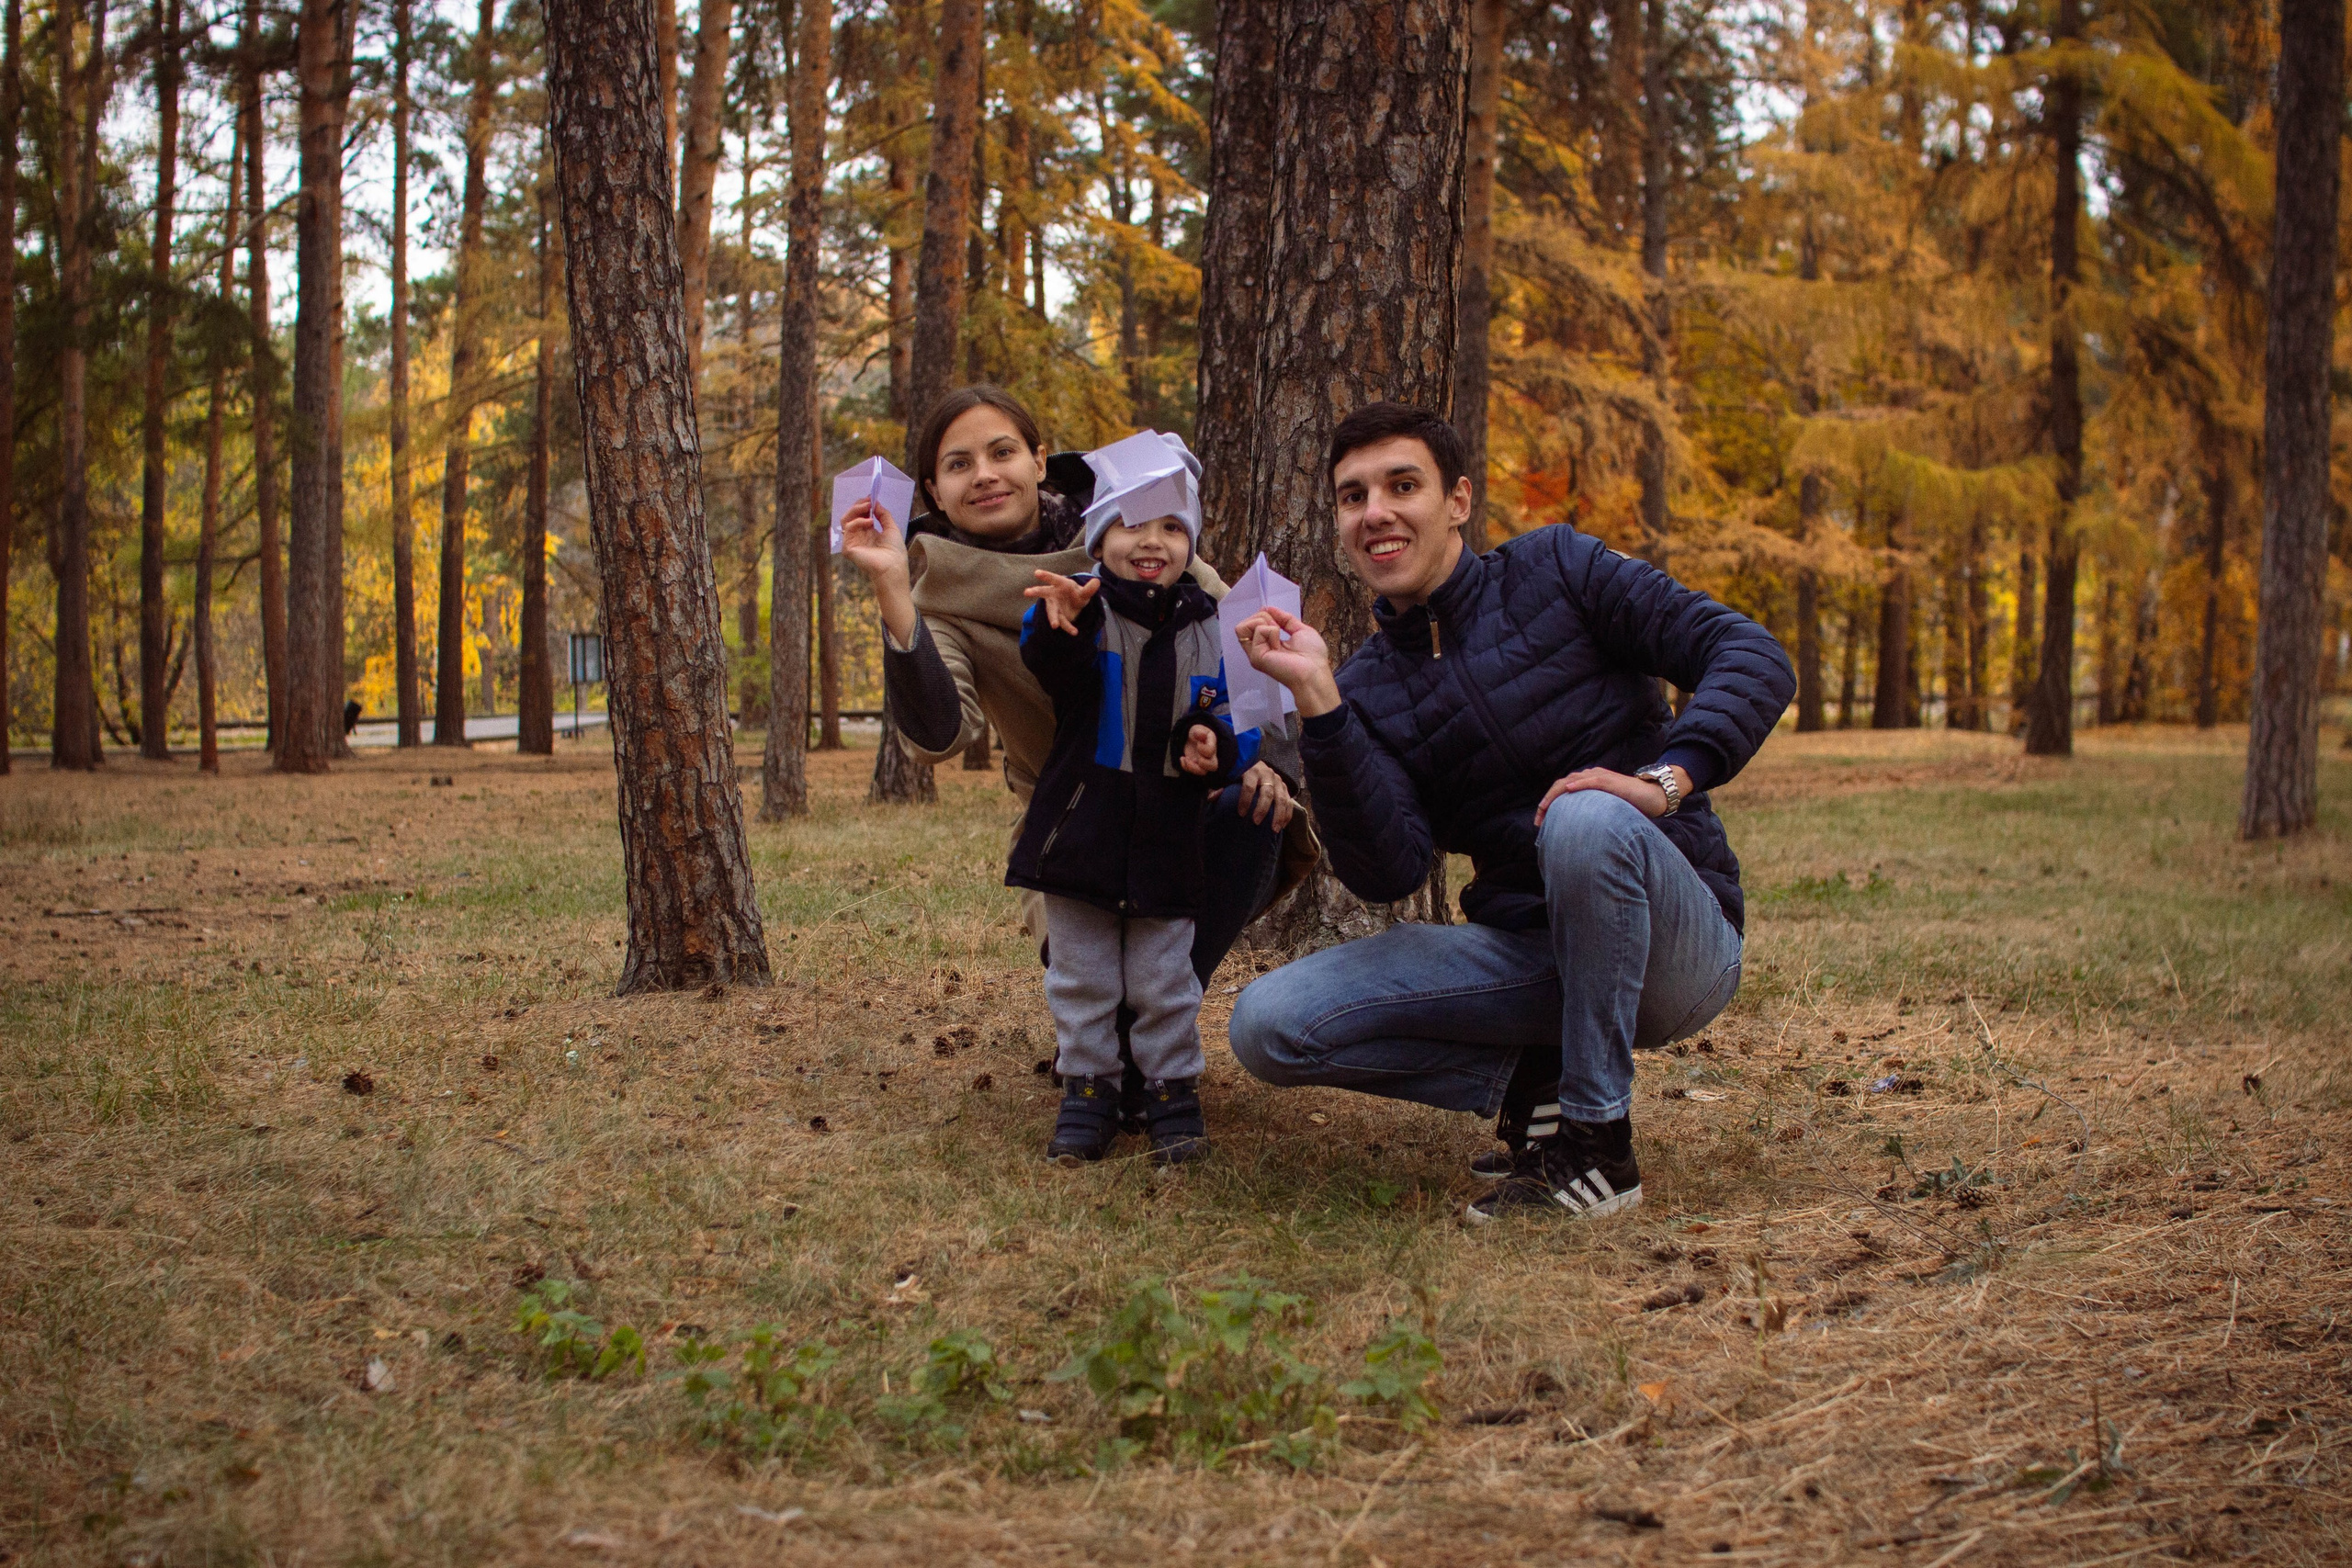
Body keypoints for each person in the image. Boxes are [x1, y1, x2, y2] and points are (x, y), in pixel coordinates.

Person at [1228, 401, 1794, 1224]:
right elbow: (1386, 870)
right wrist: (1322, 702)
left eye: (1402, 485)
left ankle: (1598, 1145)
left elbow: (1748, 652)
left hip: (1674, 948)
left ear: (1458, 501)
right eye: (1354, 497)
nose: (1376, 512)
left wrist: (1667, 779)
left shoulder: (1560, 570)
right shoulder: (1369, 688)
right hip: (1529, 961)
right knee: (1267, 1025)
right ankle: (1534, 1080)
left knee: (1585, 815)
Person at [838, 387, 1310, 1124]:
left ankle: (1145, 1049)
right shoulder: (941, 589)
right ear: (932, 490)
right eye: (958, 464)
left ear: (1038, 458)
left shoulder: (1129, 519)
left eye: (1001, 452)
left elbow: (1241, 630)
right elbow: (938, 738)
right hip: (1068, 819)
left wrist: (1262, 757)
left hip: (1179, 799)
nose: (985, 474)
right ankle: (1109, 1052)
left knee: (1257, 810)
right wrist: (894, 592)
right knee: (1085, 963)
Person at [1012, 432, 1298, 1166]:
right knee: (1082, 975)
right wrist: (1058, 624)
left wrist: (1213, 745)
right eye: (1134, 523)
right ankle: (1088, 1091)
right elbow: (1054, 663)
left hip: (1171, 832)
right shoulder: (1084, 611)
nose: (1155, 541)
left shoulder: (1211, 625)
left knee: (1163, 977)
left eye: (1174, 526)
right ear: (1101, 534)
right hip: (1085, 828)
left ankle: (1172, 1090)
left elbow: (1233, 718)